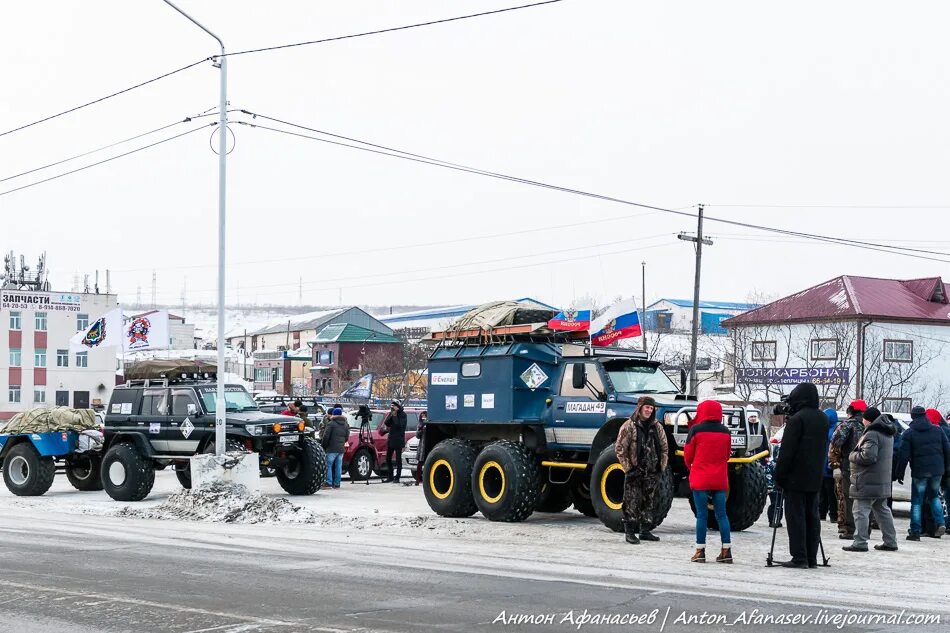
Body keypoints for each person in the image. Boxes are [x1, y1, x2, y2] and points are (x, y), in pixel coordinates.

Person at [774, 383, 828, 569]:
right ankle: (811, 557)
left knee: (796, 518)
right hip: (815, 476)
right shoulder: (822, 418)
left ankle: (799, 557)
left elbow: (787, 452)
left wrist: (779, 475)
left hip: (795, 477)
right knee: (812, 517)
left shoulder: (797, 420)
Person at [842, 407, 899, 552]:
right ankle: (890, 541)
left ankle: (860, 542)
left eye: (864, 419)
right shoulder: (888, 433)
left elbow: (868, 456)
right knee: (882, 510)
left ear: (868, 420)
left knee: (860, 510)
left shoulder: (872, 434)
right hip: (881, 480)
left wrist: (851, 455)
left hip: (867, 480)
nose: (862, 421)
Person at [615, 396, 669, 545]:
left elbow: (664, 448)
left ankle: (645, 531)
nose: (649, 410)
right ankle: (630, 532)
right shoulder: (629, 425)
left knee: (649, 501)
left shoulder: (657, 427)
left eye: (651, 408)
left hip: (652, 471)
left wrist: (661, 467)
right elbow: (620, 448)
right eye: (647, 407)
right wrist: (628, 468)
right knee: (631, 501)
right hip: (635, 470)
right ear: (640, 408)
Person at [684, 400, 733, 564]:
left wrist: (693, 467)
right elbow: (727, 455)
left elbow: (688, 455)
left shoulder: (695, 430)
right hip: (719, 478)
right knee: (722, 515)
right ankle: (726, 551)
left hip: (700, 477)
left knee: (702, 515)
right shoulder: (726, 432)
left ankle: (700, 551)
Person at [896, 405, 950, 540]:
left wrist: (899, 473)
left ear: (912, 416)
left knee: (917, 501)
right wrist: (946, 467)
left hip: (920, 471)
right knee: (934, 497)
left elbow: (903, 455)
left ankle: (915, 531)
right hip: (937, 470)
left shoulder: (909, 433)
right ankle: (940, 523)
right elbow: (947, 449)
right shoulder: (938, 430)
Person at [829, 400, 867, 539]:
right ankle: (864, 529)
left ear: (850, 410)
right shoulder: (871, 426)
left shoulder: (847, 425)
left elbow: (835, 444)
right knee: (864, 499)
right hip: (868, 467)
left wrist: (834, 465)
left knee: (847, 497)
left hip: (848, 466)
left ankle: (849, 529)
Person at [819, 409, 840, 523]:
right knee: (826, 491)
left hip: (828, 466)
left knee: (830, 492)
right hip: (825, 466)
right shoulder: (832, 430)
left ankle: (832, 514)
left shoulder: (833, 431)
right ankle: (825, 513)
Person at [321, 407, 349, 489]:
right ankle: (337, 483)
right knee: (338, 466)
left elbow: (326, 437)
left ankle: (329, 482)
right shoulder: (345, 424)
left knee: (328, 465)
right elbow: (347, 436)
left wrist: (324, 446)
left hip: (332, 448)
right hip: (341, 448)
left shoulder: (331, 424)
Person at [764, 422, 785, 528]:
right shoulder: (772, 464)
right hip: (774, 488)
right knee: (774, 504)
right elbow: (769, 475)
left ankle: (778, 520)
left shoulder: (785, 465)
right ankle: (772, 520)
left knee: (780, 506)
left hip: (781, 487)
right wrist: (769, 485)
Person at [382, 400, 408, 483]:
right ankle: (390, 476)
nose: (392, 407)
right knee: (388, 458)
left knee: (398, 459)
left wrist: (395, 414)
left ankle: (397, 477)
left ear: (398, 406)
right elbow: (387, 423)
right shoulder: (392, 413)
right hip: (391, 438)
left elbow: (398, 424)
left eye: (394, 406)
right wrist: (392, 414)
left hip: (398, 439)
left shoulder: (403, 414)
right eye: (392, 406)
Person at [415, 411, 429, 485]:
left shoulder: (430, 423)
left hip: (429, 444)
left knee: (428, 462)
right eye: (422, 416)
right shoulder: (420, 424)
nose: (423, 417)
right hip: (422, 445)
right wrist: (421, 428)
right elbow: (417, 436)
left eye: (424, 415)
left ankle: (426, 480)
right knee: (420, 463)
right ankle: (417, 480)